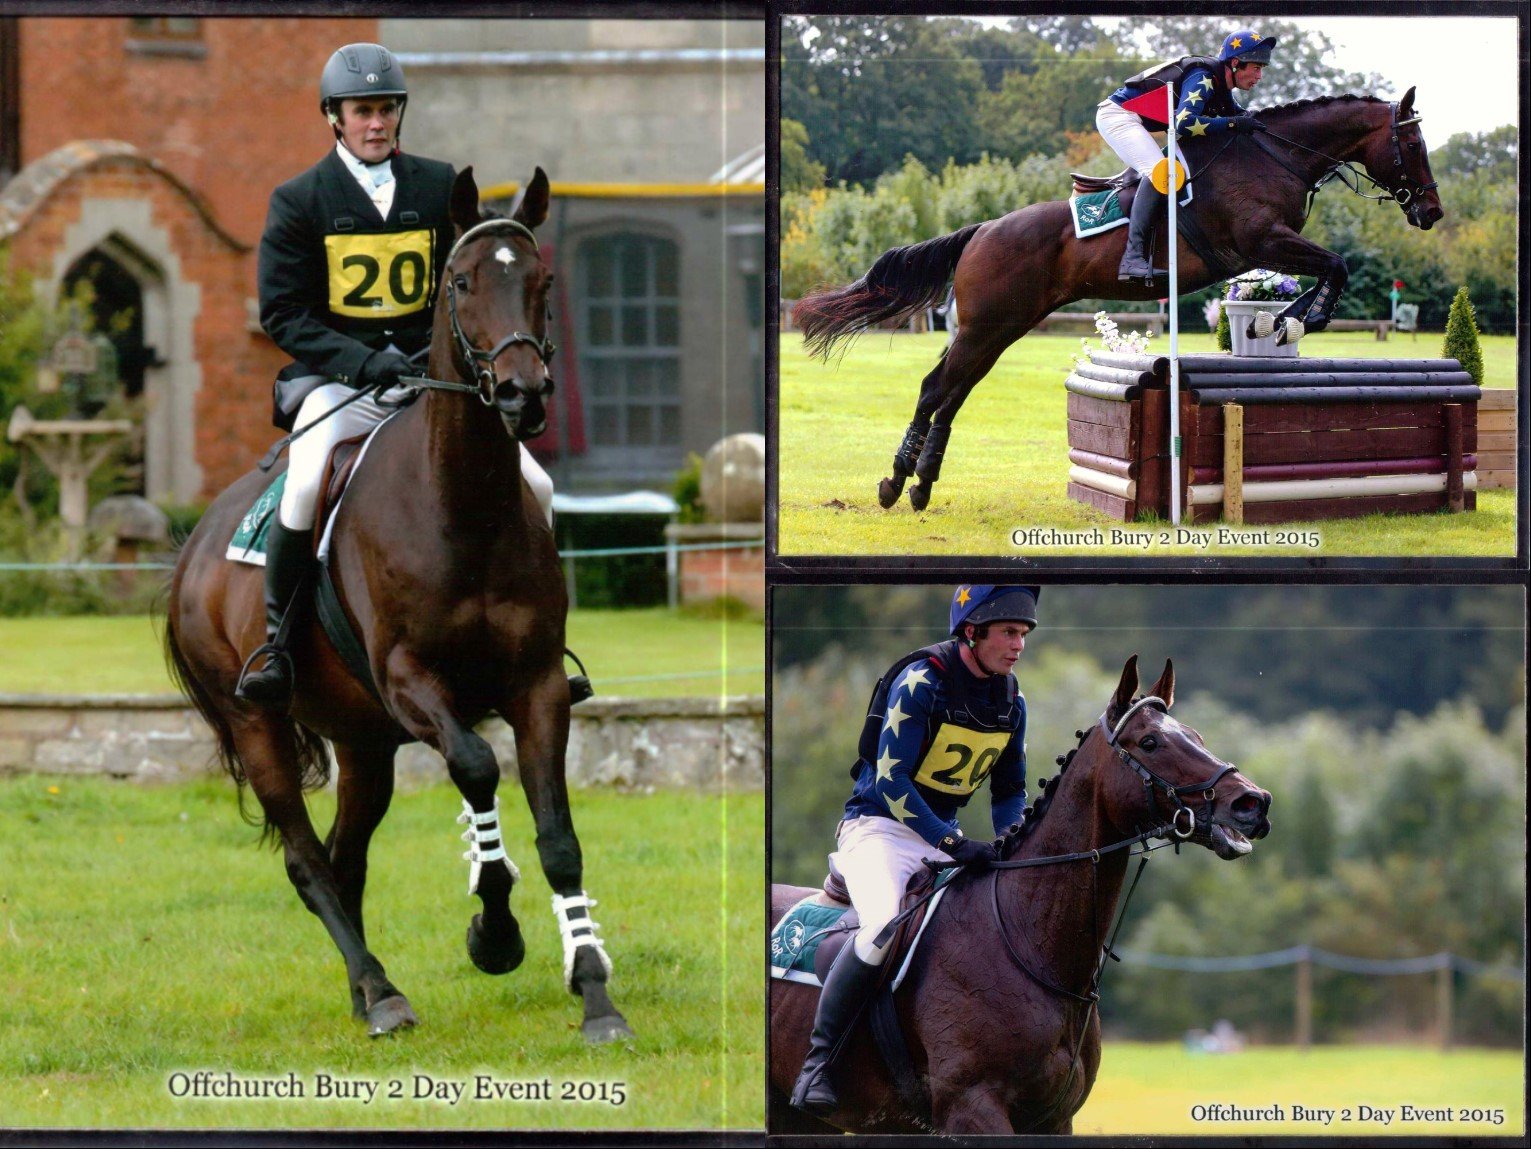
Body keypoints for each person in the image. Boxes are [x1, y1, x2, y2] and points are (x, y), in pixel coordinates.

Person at [238, 42, 556, 708]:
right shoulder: (299, 200)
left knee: (539, 484)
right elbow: (283, 313)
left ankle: (547, 645)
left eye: (385, 109)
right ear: (335, 118)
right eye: (362, 111)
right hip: (340, 381)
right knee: (302, 481)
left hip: (429, 383)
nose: (375, 123)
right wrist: (361, 361)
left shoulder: (439, 187)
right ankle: (278, 642)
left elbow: (470, 287)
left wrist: (435, 359)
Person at [789, 585, 1038, 1116]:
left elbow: (1009, 791)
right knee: (882, 928)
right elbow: (891, 781)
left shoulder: (1011, 700)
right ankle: (818, 1064)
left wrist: (1010, 843)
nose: (1019, 645)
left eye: (1024, 635)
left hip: (938, 837)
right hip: (877, 829)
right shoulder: (922, 681)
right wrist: (952, 842)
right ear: (971, 632)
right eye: (1009, 633)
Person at [1098, 29, 1277, 281]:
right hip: (1118, 116)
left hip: (1133, 119)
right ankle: (1131, 258)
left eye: (1262, 69)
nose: (1259, 76)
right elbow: (1184, 124)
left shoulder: (1222, 88)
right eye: (1256, 68)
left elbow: (1243, 120)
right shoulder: (1203, 76)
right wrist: (1234, 124)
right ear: (1235, 63)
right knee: (1162, 172)